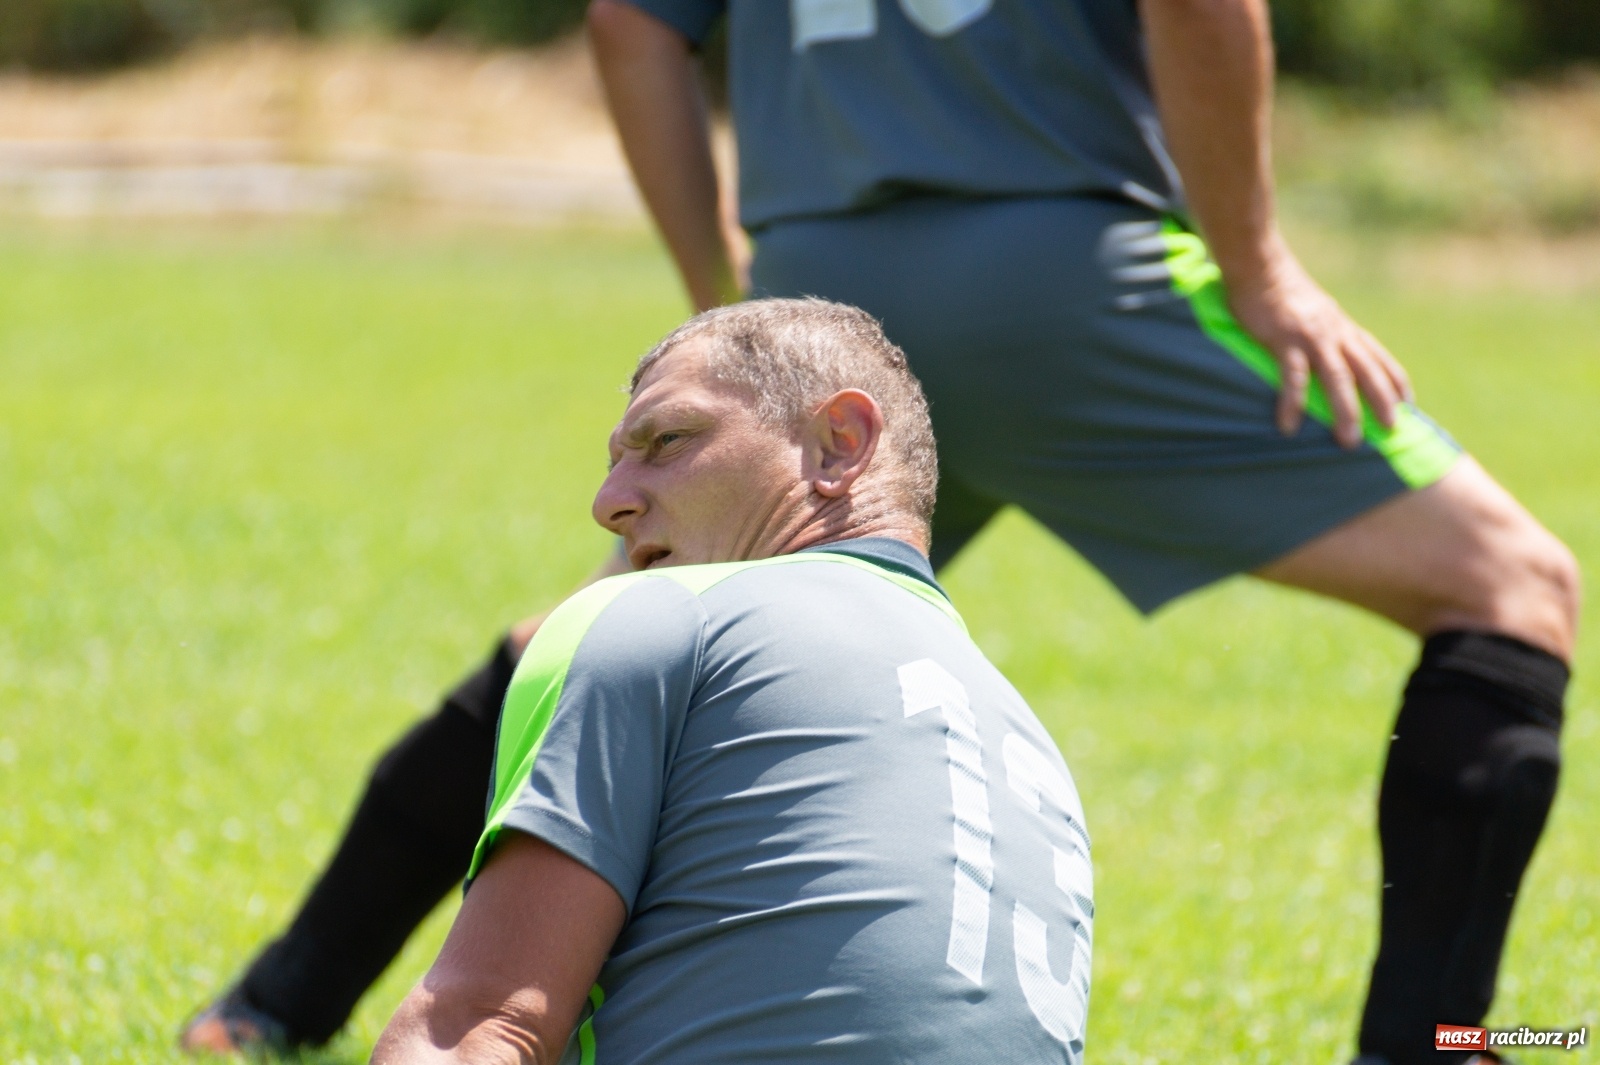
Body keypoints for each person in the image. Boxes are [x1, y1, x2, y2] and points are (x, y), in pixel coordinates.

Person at [184, 1, 1579, 1061]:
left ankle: (273, 1000)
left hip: (830, 279)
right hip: (1073, 279)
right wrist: (1261, 268)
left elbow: (630, 24)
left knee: (595, 642)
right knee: (1512, 587)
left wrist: (731, 319)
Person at [369, 297, 1094, 1064]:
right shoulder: (1025, 736)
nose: (609, 503)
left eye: (668, 440)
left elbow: (480, 1027)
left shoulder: (665, 618)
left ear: (838, 443)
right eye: (615, 459)